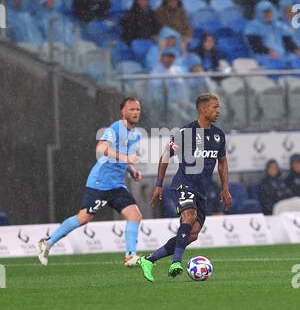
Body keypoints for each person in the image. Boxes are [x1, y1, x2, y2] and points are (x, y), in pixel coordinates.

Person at [38, 97, 143, 267]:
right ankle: (47, 242)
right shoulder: (116, 128)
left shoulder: (136, 134)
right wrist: (126, 158)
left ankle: (130, 255)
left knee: (135, 215)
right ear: (123, 112)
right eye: (131, 109)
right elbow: (100, 149)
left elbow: (125, 158)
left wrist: (132, 170)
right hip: (100, 183)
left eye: (137, 109)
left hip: (117, 185)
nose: (135, 112)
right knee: (84, 217)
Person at [139, 92, 232, 282]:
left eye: (219, 107)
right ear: (203, 109)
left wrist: (225, 188)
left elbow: (222, 162)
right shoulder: (186, 133)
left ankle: (149, 260)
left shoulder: (218, 135)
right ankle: (176, 263)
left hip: (202, 190)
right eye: (215, 107)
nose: (218, 111)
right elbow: (165, 156)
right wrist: (158, 185)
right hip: (184, 184)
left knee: (192, 234)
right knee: (188, 217)